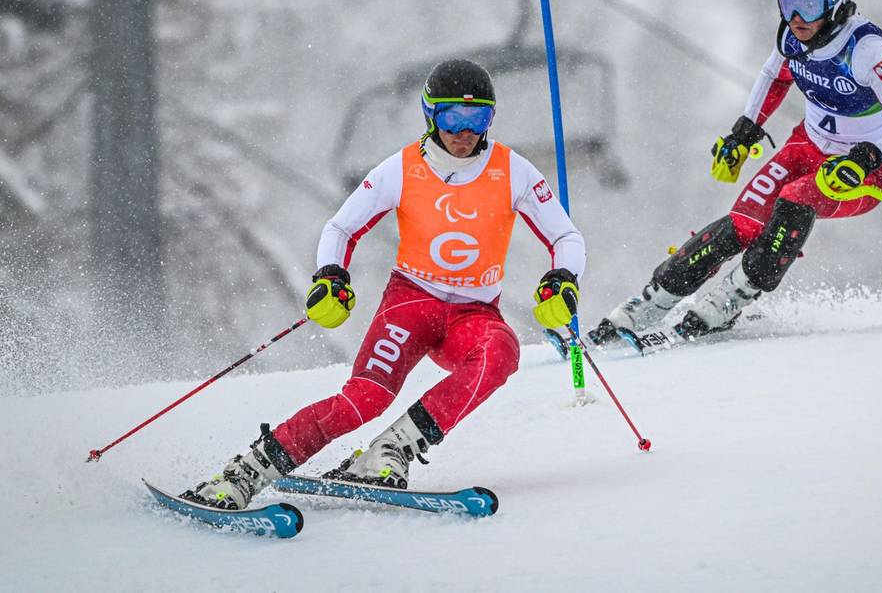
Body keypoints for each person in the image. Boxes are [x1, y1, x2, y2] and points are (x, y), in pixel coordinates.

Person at [184, 59, 586, 509]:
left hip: (473, 314)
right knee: (365, 400)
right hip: (411, 304)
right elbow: (341, 228)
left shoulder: (513, 170)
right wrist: (331, 276)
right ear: (430, 115)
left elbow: (565, 237)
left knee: (501, 351)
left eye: (477, 118)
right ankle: (245, 473)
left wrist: (562, 279)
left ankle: (390, 451)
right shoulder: (402, 168)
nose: (464, 132)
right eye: (452, 117)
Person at [589, 0, 882, 344]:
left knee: (795, 200)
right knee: (741, 222)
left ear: (835, 4)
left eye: (808, 6)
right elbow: (775, 75)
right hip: (805, 146)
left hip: (859, 172)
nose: (796, 18)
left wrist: (866, 157)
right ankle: (650, 303)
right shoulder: (791, 38)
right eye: (787, 5)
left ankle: (731, 299)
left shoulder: (865, 50)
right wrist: (745, 130)